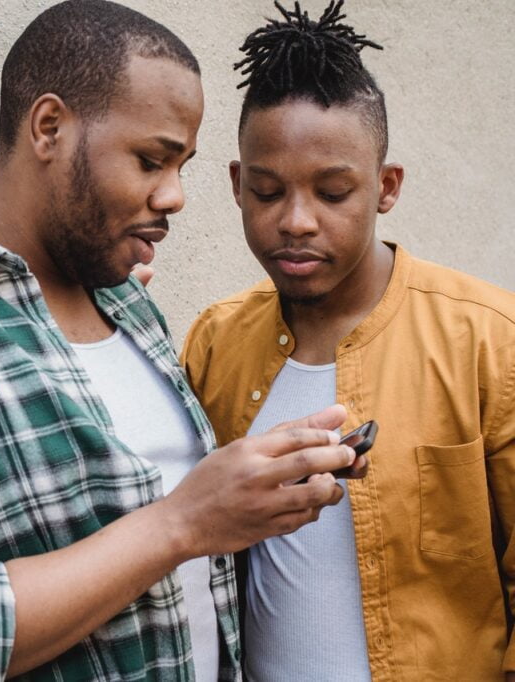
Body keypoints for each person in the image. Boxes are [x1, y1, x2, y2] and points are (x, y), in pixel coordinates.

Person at [0, 1, 360, 679]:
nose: (175, 196)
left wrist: (262, 489)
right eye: (152, 160)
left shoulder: (125, 300)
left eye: (181, 166)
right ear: (50, 127)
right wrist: (181, 523)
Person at [180, 2, 515, 679]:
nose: (296, 221)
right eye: (269, 192)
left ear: (386, 187)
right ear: (238, 187)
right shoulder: (214, 345)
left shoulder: (489, 342)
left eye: (333, 193)